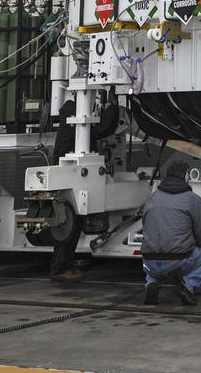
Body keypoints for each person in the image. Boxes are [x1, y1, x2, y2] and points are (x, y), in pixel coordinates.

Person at [49, 94, 119, 283]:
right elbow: (100, 129)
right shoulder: (76, 116)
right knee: (70, 225)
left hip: (67, 177)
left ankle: (62, 265)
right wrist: (113, 107)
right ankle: (61, 268)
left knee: (67, 224)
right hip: (72, 178)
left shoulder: (69, 114)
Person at [141, 159, 201, 305]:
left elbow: (146, 227)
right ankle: (187, 286)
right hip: (177, 260)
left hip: (148, 261)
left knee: (155, 262)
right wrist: (196, 244)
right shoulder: (193, 200)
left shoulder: (151, 198)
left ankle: (151, 284)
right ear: (186, 177)